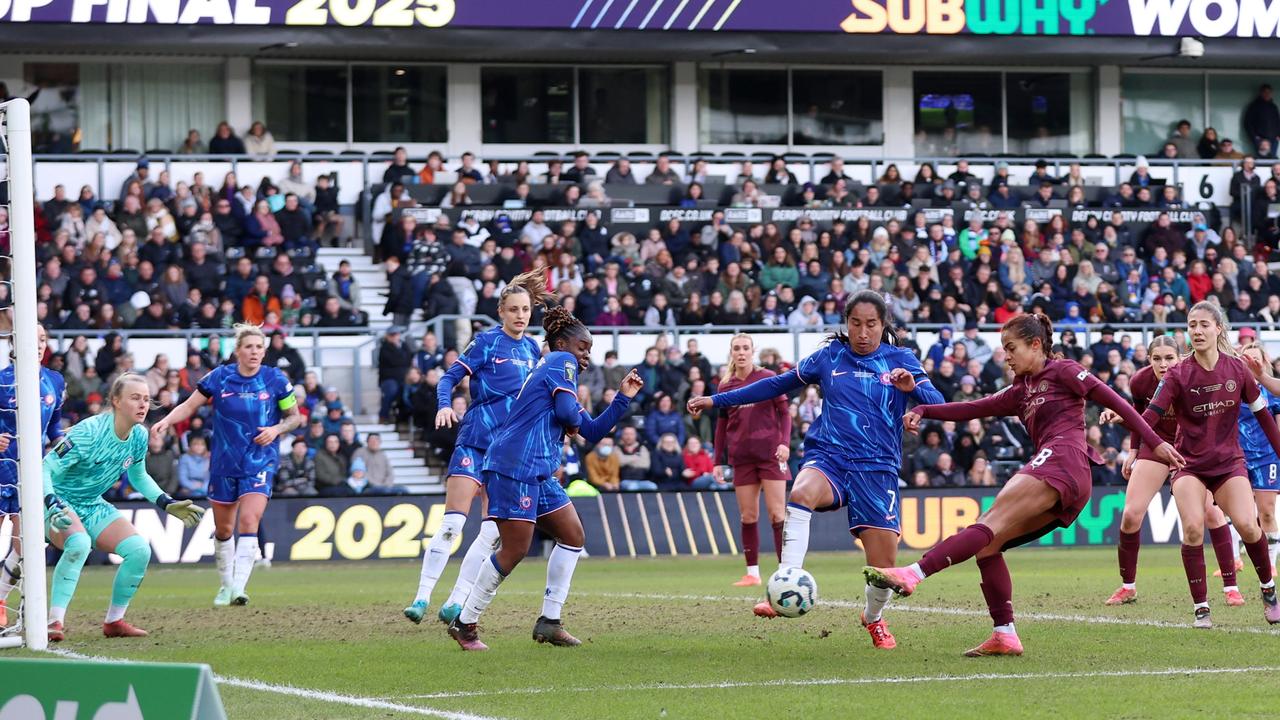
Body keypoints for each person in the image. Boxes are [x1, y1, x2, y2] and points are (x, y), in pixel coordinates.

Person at [864, 313, 1182, 655]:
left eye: (1011, 348)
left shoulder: (1065, 371)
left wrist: (1155, 441)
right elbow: (972, 408)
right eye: (1003, 349)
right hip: (1068, 479)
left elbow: (1117, 402)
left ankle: (914, 572)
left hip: (1064, 459)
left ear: (1035, 345)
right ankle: (1005, 633)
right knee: (988, 544)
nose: (1007, 356)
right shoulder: (1020, 390)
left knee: (989, 520)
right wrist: (924, 409)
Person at [689, 291, 945, 650]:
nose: (862, 333)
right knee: (801, 492)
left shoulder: (901, 359)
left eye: (871, 325)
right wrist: (716, 399)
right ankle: (784, 584)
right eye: (855, 324)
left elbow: (942, 406)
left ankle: (873, 618)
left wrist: (914, 389)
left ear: (883, 324)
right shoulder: (830, 356)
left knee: (884, 569)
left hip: (877, 469)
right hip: (831, 458)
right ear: (846, 323)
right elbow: (775, 384)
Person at [446, 307, 643, 651]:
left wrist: (623, 397)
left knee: (572, 535)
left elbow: (592, 431)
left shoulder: (557, 378)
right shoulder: (559, 363)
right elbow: (570, 416)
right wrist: (569, 417)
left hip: (536, 470)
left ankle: (549, 621)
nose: (586, 356)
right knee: (515, 549)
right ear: (563, 343)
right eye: (583, 348)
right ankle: (465, 622)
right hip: (515, 466)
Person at [405, 271, 552, 625]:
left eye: (526, 310)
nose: (520, 315)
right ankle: (422, 597)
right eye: (514, 309)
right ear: (501, 311)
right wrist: (444, 404)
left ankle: (456, 601)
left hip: (508, 454)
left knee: (491, 533)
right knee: (453, 522)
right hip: (476, 441)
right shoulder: (486, 342)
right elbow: (448, 377)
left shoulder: (533, 349)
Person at [1136, 302, 1280, 628]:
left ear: (1218, 329)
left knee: (1248, 524)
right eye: (1192, 325)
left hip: (1229, 463)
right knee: (1191, 529)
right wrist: (1133, 430)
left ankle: (1268, 590)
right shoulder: (1177, 374)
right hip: (1190, 465)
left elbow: (1264, 417)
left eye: (1203, 324)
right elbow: (1150, 419)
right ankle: (1201, 608)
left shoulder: (1238, 370)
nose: (1197, 331)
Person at [42, 374, 205, 641]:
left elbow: (139, 476)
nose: (143, 405)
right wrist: (51, 502)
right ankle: (54, 622)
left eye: (146, 399)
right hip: (55, 501)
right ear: (116, 401)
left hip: (92, 504)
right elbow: (45, 467)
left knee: (139, 550)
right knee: (79, 544)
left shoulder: (139, 436)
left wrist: (167, 502)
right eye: (135, 398)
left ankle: (114, 621)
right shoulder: (88, 431)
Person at [150, 324, 303, 607]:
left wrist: (277, 429)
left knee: (249, 521)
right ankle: (226, 584)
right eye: (249, 347)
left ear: (264, 350)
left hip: (259, 460)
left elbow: (295, 417)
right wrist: (166, 420)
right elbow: (189, 406)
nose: (254, 351)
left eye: (259, 347)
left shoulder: (276, 379)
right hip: (223, 462)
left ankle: (239, 589)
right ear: (237, 351)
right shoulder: (220, 376)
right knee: (223, 530)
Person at [1098, 336, 1241, 606]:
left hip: (1191, 449)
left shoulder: (1196, 375)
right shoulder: (1140, 381)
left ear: (1181, 357)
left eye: (1169, 358)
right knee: (1130, 514)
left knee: (1212, 513)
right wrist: (1133, 450)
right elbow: (1141, 416)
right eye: (1156, 359)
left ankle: (1230, 587)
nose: (1163, 364)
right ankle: (1128, 587)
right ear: (1148, 359)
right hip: (1156, 446)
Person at [712, 334, 791, 588]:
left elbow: (785, 413)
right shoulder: (726, 386)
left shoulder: (768, 378)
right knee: (748, 515)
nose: (742, 352)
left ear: (752, 351)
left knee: (777, 514)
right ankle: (752, 573)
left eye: (746, 348)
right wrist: (717, 461)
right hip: (742, 457)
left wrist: (784, 443)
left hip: (770, 455)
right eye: (737, 348)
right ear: (732, 353)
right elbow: (721, 425)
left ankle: (785, 571)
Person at [0, 324, 64, 626]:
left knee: (28, 543)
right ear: (14, 341)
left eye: (42, 339)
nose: (38, 344)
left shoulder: (54, 381)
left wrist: (68, 453)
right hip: (2, 467)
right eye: (32, 338)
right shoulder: (2, 381)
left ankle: (10, 603)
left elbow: (54, 431)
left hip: (32, 471)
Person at [1238, 342, 1280, 569]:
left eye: (1256, 359)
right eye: (1246, 359)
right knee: (1238, 514)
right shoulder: (1231, 390)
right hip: (1237, 458)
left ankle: (1270, 563)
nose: (1251, 364)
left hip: (1266, 457)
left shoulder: (1273, 394)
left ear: (1264, 363)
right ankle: (1234, 560)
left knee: (1266, 512)